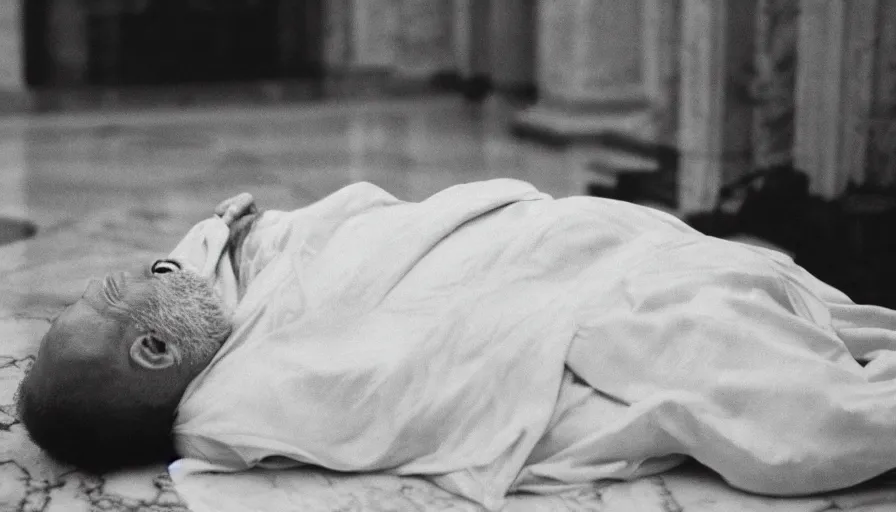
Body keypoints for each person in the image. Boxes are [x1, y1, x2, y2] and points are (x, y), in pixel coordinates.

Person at [16, 179, 896, 510]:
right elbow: (423, 363)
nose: (151, 270)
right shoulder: (253, 395)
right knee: (755, 388)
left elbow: (212, 252)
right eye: (121, 290)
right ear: (157, 357)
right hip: (596, 297)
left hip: (562, 242)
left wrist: (227, 234)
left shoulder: (226, 292)